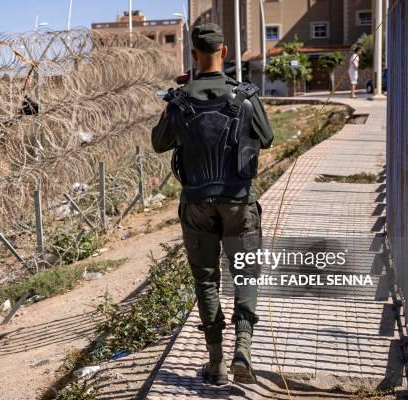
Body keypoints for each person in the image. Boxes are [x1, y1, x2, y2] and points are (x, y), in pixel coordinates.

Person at [151, 23, 273, 386]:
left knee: (206, 280)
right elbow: (266, 137)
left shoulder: (179, 100)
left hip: (197, 204)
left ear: (193, 56)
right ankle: (244, 350)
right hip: (239, 202)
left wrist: (175, 106)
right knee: (246, 274)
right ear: (224, 52)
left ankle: (217, 363)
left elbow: (159, 144)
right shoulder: (245, 95)